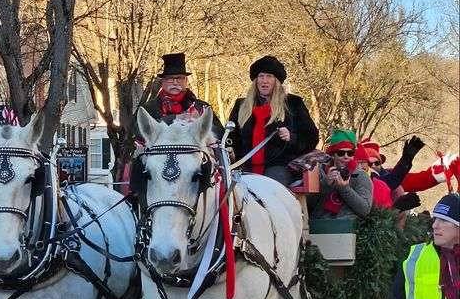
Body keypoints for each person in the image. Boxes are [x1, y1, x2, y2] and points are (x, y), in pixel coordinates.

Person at [227, 56, 318, 186]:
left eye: (269, 76)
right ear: (255, 81)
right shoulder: (241, 106)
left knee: (267, 189)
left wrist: (291, 137)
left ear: (276, 81)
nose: (264, 81)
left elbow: (312, 137)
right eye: (261, 76)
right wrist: (230, 151)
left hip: (279, 166)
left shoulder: (293, 103)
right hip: (245, 166)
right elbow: (232, 136)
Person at [142, 52, 223, 136]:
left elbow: (219, 134)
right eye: (170, 78)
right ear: (162, 82)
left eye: (180, 78)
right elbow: (136, 135)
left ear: (186, 81)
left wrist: (199, 126)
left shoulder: (201, 107)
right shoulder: (149, 108)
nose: (175, 82)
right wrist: (174, 119)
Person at [309, 130, 372, 220]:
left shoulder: (360, 176)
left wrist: (345, 188)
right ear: (333, 155)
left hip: (347, 227)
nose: (346, 156)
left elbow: (365, 209)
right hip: (319, 225)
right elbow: (308, 204)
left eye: (350, 153)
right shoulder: (319, 171)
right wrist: (326, 184)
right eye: (341, 153)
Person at [353, 144, 393, 208]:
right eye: (357, 163)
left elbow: (394, 179)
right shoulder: (345, 182)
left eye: (363, 162)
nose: (360, 166)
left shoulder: (381, 185)